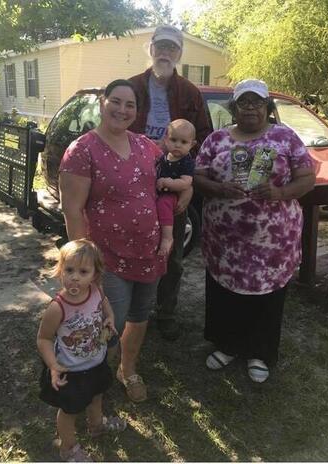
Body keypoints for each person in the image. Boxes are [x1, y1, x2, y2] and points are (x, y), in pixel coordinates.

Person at [192, 79, 315, 383]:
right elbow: (197, 177)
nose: (250, 108)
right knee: (224, 294)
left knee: (266, 298)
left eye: (257, 103)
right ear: (233, 108)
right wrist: (218, 188)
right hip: (225, 243)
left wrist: (279, 193)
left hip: (271, 245)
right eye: (243, 103)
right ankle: (228, 344)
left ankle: (259, 352)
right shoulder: (216, 140)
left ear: (268, 107)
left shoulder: (285, 138)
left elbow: (307, 178)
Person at [60, 79, 165, 403]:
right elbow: (73, 210)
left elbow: (161, 185)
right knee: (108, 323)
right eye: (115, 101)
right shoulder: (81, 150)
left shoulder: (147, 146)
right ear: (102, 103)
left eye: (130, 104)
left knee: (140, 315)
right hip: (107, 257)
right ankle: (92, 381)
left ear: (137, 111)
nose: (122, 109)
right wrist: (84, 264)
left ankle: (127, 370)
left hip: (148, 252)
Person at [128, 24, 213, 341]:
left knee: (172, 254)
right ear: (150, 49)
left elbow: (204, 137)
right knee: (133, 247)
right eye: (160, 47)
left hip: (175, 183)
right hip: (134, 181)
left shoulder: (190, 92)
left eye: (172, 48)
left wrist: (189, 183)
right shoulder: (132, 88)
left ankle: (165, 313)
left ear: (179, 53)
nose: (165, 53)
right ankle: (132, 312)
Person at [37, 239, 126, 461]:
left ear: (95, 275)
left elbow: (105, 303)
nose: (75, 276)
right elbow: (44, 338)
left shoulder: (95, 291)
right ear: (60, 270)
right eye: (69, 270)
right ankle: (68, 448)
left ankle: (96, 425)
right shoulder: (57, 307)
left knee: (97, 396)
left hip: (96, 361)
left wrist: (110, 319)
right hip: (71, 371)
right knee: (70, 411)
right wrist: (53, 365)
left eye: (83, 271)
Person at [155, 119, 196, 256]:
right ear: (166, 140)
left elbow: (186, 183)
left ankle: (167, 238)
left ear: (192, 144)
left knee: (163, 204)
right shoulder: (164, 157)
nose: (177, 145)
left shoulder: (186, 162)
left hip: (172, 195)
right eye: (173, 140)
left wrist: (168, 182)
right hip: (160, 192)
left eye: (183, 142)